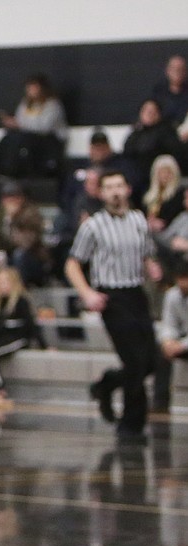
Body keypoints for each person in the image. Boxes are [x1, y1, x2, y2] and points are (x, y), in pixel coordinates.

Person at [66, 170, 163, 442]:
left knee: (151, 361)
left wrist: (152, 268)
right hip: (112, 295)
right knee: (133, 360)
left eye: (119, 186)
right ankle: (131, 425)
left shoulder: (138, 220)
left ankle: (107, 383)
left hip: (136, 292)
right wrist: (87, 293)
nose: (115, 192)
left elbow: (146, 255)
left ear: (128, 189)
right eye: (109, 187)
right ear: (101, 193)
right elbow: (73, 263)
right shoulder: (93, 226)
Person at [0, 267, 47, 408]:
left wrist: (44, 346)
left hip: (19, 338)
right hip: (5, 337)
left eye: (5, 281)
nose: (1, 285)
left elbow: (32, 325)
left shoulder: (21, 301)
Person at [0, 74, 68, 179]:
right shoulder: (25, 104)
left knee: (22, 139)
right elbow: (20, 119)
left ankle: (10, 170)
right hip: (28, 138)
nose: (31, 90)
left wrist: (20, 124)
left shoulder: (52, 105)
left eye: (34, 87)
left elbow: (45, 127)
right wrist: (12, 123)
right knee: (9, 137)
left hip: (49, 140)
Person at [155, 261, 188, 410]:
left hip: (184, 343)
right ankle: (160, 402)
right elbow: (168, 323)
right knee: (160, 353)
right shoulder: (172, 295)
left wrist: (181, 345)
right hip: (179, 340)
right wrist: (168, 341)